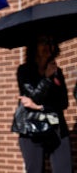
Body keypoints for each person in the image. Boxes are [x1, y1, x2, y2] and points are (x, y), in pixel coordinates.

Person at [12, 35, 72, 173]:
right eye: (43, 42)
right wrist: (46, 78)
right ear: (34, 46)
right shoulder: (24, 71)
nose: (48, 46)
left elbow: (63, 103)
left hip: (56, 127)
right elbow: (34, 97)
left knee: (64, 169)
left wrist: (40, 107)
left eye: (51, 42)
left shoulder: (57, 72)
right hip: (31, 128)